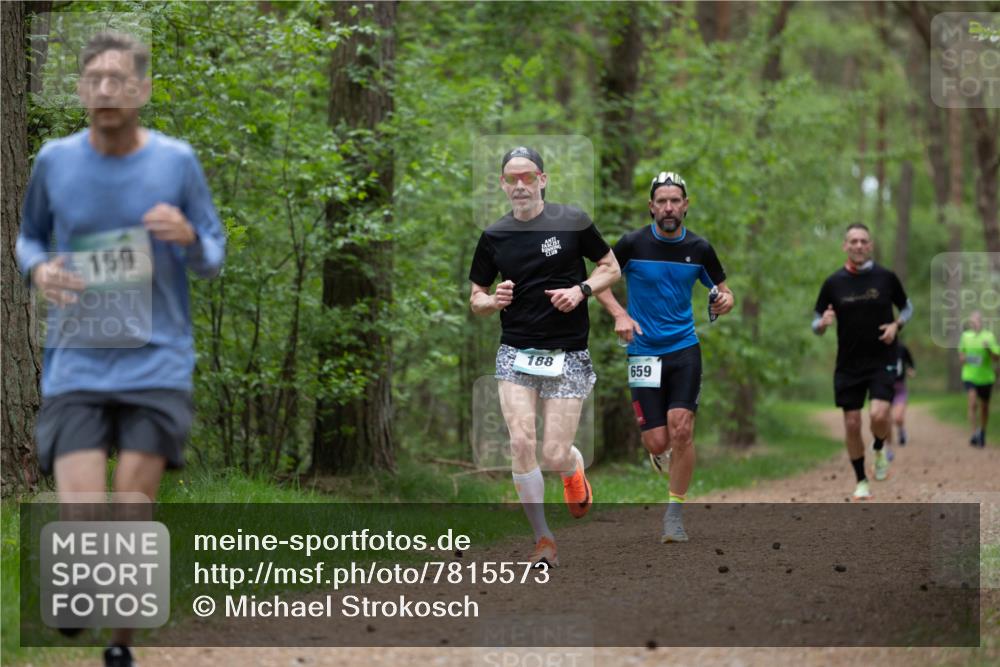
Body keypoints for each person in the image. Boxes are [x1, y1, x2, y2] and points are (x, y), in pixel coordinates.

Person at [16, 32, 225, 667]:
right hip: (77, 358)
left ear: (142, 89)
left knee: (132, 508)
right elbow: (27, 239)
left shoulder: (175, 161)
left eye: (119, 78)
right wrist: (39, 272)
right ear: (81, 89)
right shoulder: (54, 160)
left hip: (156, 359)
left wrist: (188, 235)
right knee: (80, 509)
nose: (106, 89)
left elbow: (212, 255)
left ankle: (120, 648)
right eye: (94, 79)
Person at [469, 146, 620, 567]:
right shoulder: (494, 236)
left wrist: (581, 290)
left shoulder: (572, 222)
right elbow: (475, 298)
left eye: (528, 177)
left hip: (568, 352)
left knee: (554, 452)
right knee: (520, 441)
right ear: (502, 184)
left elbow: (610, 267)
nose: (520, 185)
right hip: (515, 351)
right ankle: (543, 539)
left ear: (543, 179)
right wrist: (491, 301)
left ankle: (571, 469)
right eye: (512, 178)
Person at [595, 171, 733, 543]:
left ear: (685, 206)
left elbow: (724, 291)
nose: (669, 207)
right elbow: (598, 281)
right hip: (642, 351)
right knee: (658, 442)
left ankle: (674, 514)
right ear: (651, 207)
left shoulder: (700, 249)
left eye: (675, 201)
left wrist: (724, 301)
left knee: (682, 427)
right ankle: (661, 453)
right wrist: (620, 314)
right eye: (662, 201)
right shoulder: (632, 244)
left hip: (684, 348)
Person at [812, 223, 912, 501]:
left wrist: (897, 325)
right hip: (848, 363)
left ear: (870, 245)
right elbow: (815, 321)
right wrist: (822, 324)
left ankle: (879, 448)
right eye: (853, 241)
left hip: (883, 358)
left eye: (863, 241)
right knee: (853, 423)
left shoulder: (886, 278)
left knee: (879, 415)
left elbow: (907, 306)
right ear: (845, 245)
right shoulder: (833, 283)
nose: (858, 245)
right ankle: (861, 480)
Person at [959, 311, 999, 448]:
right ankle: (974, 433)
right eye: (972, 321)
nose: (975, 323)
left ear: (981, 322)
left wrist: (988, 349)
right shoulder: (965, 336)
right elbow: (961, 356)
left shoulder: (989, 336)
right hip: (969, 375)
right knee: (972, 401)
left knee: (984, 407)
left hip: (986, 377)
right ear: (970, 323)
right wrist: (965, 358)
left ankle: (982, 431)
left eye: (977, 321)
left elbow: (996, 358)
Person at [887, 338, 915, 460]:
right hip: (884, 387)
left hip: (899, 387)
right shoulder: (879, 347)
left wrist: (911, 370)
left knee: (897, 417)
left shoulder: (902, 348)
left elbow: (911, 363)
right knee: (885, 418)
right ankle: (888, 447)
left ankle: (901, 430)